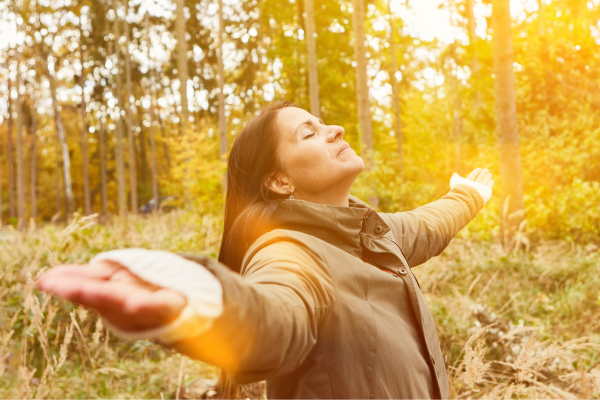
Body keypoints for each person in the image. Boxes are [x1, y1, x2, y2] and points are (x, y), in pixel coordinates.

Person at [37, 101, 494, 399]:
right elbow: (274, 317)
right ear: (280, 181)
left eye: (322, 124)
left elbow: (427, 225)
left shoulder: (372, 234)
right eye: (309, 134)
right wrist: (203, 304)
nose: (334, 129)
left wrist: (466, 197)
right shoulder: (288, 251)